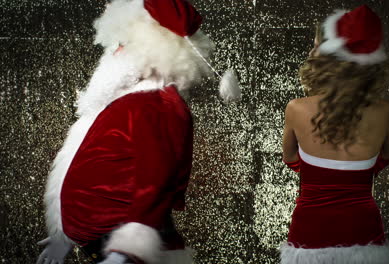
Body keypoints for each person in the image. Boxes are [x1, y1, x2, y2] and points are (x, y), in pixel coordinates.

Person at [36, 0, 239, 263]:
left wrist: (127, 251)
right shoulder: (123, 101)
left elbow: (156, 180)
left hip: (127, 250)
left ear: (153, 46)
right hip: (105, 244)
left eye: (124, 42)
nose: (115, 51)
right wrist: (66, 235)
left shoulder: (155, 104)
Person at [281, 5, 389, 264]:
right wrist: (355, 174)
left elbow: (290, 158)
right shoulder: (384, 111)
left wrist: (320, 177)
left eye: (315, 46)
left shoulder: (297, 108)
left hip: (310, 230)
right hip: (364, 230)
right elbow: (386, 156)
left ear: (330, 55)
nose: (311, 52)